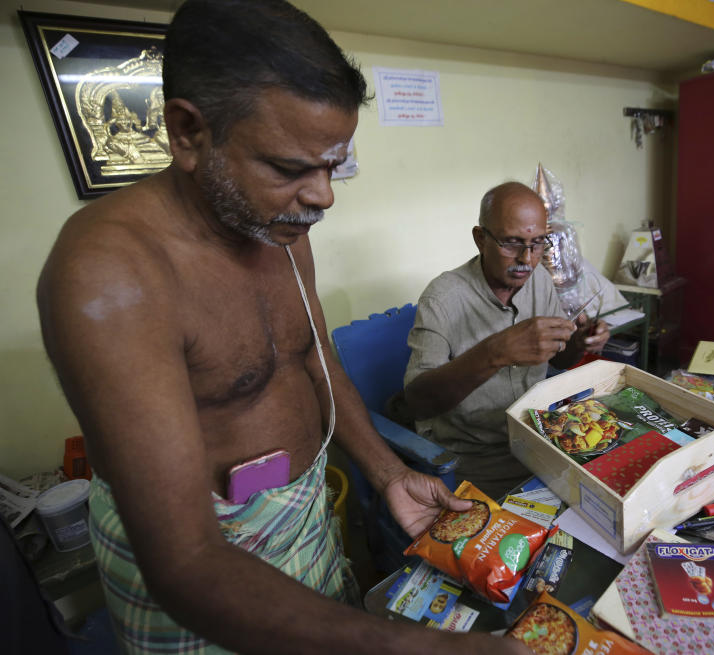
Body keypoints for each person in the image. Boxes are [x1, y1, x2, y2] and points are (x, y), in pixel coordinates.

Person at [36, 2, 530, 653]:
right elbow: (184, 562)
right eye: (290, 167)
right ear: (188, 132)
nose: (323, 194)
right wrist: (415, 647)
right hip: (205, 571)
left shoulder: (280, 229)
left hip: (304, 517)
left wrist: (386, 472)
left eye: (334, 165)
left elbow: (310, 356)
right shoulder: (109, 273)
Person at [403, 182, 611, 500]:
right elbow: (418, 401)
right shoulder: (442, 299)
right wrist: (495, 352)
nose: (526, 259)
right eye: (511, 243)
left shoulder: (538, 279)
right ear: (480, 238)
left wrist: (578, 343)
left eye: (537, 243)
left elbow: (557, 359)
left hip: (540, 440)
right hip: (477, 459)